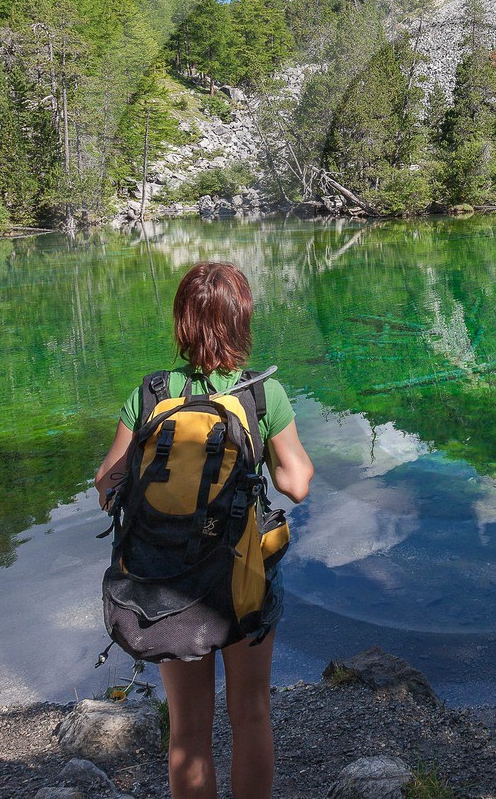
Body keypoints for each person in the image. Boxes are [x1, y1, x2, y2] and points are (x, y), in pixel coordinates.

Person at [95, 262, 314, 799]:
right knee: (251, 715)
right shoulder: (262, 394)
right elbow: (297, 483)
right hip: (243, 579)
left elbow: (106, 484)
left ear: (181, 323)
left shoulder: (150, 393)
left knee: (188, 733)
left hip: (167, 582)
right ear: (241, 322)